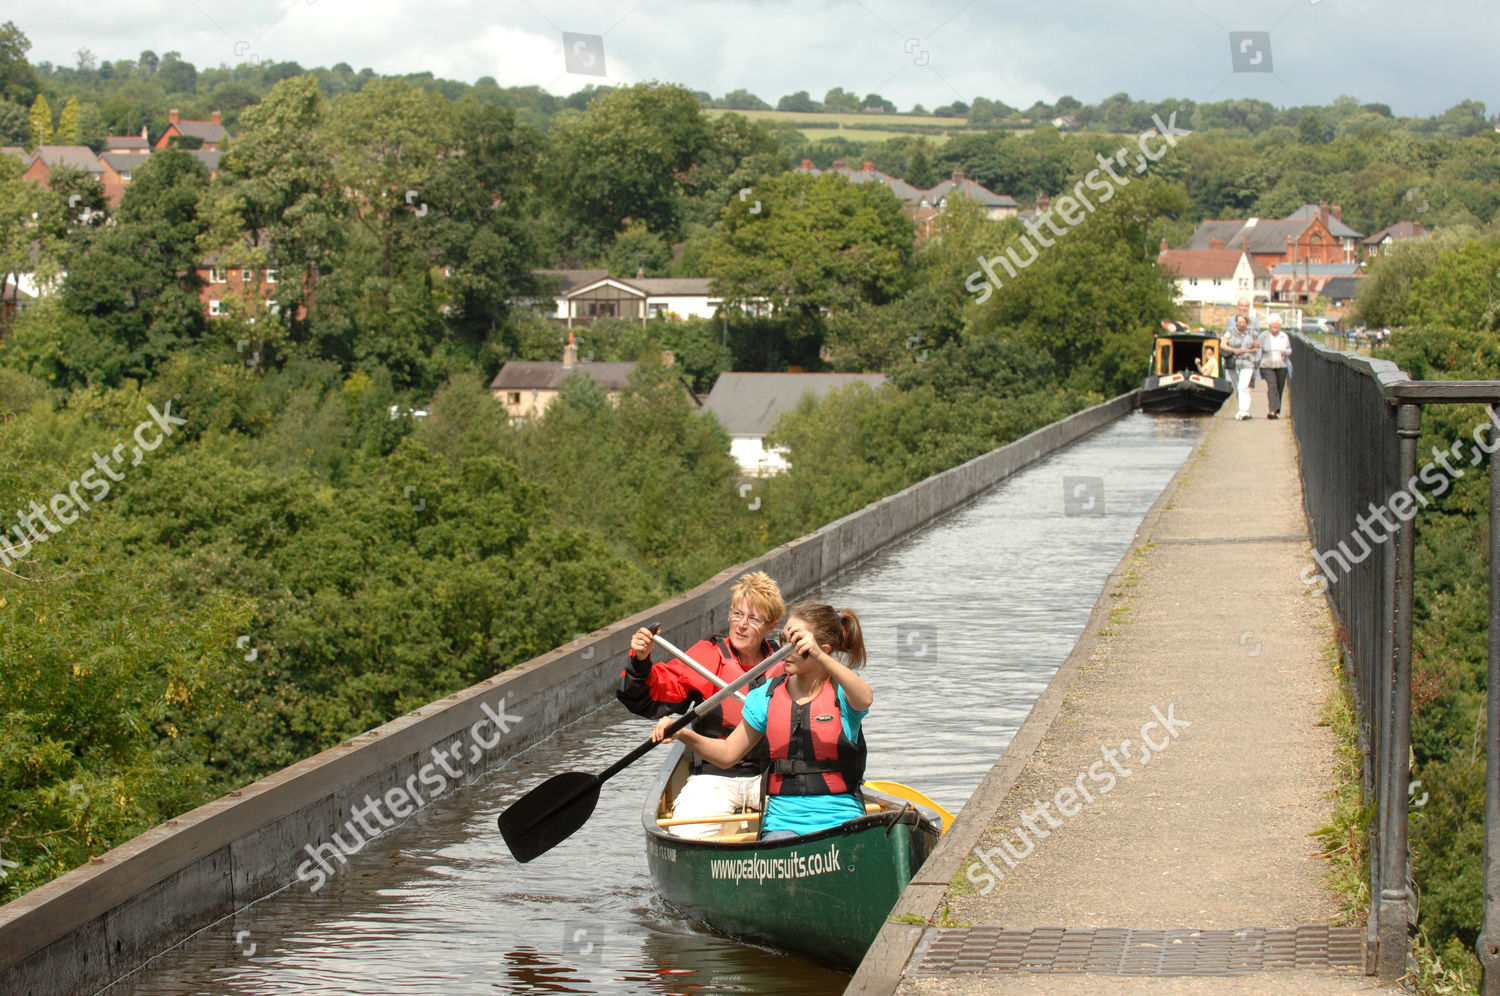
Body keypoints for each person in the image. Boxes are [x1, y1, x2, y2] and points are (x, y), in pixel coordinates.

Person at [655, 601, 871, 841]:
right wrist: (683, 733)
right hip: (783, 826)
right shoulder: (765, 696)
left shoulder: (844, 692)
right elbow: (727, 754)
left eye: (796, 642)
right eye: (783, 638)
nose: (784, 649)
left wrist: (818, 655)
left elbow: (865, 698)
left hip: (842, 821)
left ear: (824, 649)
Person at [618, 571, 785, 838]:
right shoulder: (707, 657)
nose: (741, 625)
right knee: (689, 834)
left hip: (772, 776)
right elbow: (653, 694)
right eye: (737, 614)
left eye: (753, 619)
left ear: (771, 626)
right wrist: (640, 662)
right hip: (715, 777)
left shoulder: (787, 662)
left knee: (803, 824)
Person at [1222, 315, 1259, 420]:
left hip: (1247, 362)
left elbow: (1256, 347)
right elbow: (1222, 345)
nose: (1241, 324)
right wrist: (1233, 350)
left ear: (1247, 322)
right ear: (1236, 322)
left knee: (1243, 386)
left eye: (1243, 322)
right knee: (1237, 387)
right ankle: (1243, 410)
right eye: (1239, 322)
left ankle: (1244, 411)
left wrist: (1246, 350)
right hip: (1233, 362)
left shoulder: (1252, 333)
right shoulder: (1230, 332)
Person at [1257, 316, 1293, 419]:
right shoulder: (1263, 336)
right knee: (1272, 385)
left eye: (1277, 324)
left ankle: (1276, 409)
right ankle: (1272, 411)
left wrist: (1286, 352)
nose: (1275, 326)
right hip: (1267, 365)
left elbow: (1290, 350)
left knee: (1279, 387)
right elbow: (1258, 350)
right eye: (1273, 324)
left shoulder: (1284, 336)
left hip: (1281, 364)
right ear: (1269, 325)